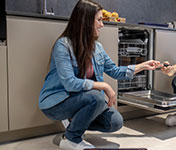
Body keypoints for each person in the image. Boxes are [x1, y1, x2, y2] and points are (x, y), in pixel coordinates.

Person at [38, 1, 161, 150]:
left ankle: (74, 123)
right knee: (96, 96)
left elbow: (114, 71)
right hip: (57, 103)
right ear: (85, 21)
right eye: (99, 20)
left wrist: (143, 65)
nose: (102, 25)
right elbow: (70, 83)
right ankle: (71, 139)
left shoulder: (97, 48)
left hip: (84, 99)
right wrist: (103, 85)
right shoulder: (63, 45)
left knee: (115, 122)